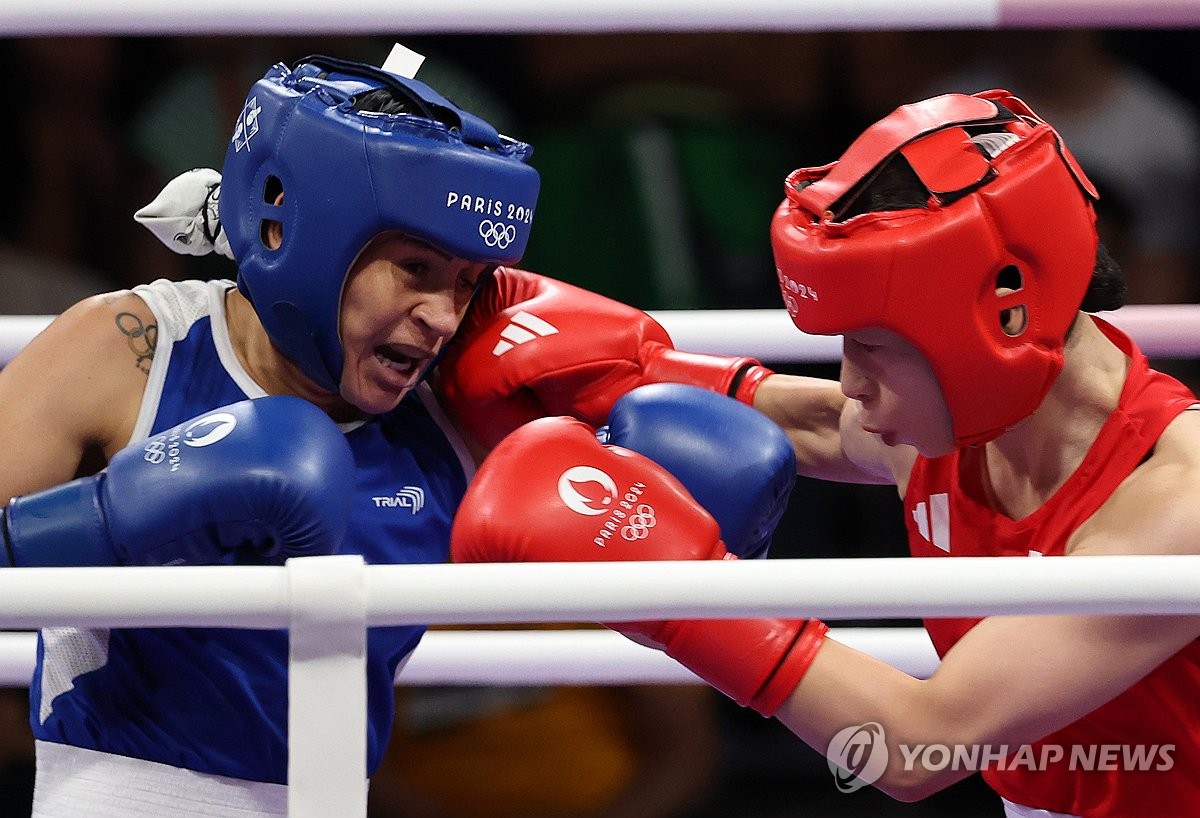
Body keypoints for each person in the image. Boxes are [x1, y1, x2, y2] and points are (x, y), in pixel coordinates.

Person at [447, 89, 1200, 817]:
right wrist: (628, 371)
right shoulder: (966, 418)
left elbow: (919, 745)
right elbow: (817, 423)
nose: (853, 382)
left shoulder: (1174, 503)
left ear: (1000, 319)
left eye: (872, 347)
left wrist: (674, 584)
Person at [0, 48, 542, 816]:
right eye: (416, 268)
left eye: (467, 282)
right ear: (306, 232)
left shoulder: (458, 408)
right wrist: (104, 527)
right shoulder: (132, 351)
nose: (443, 317)